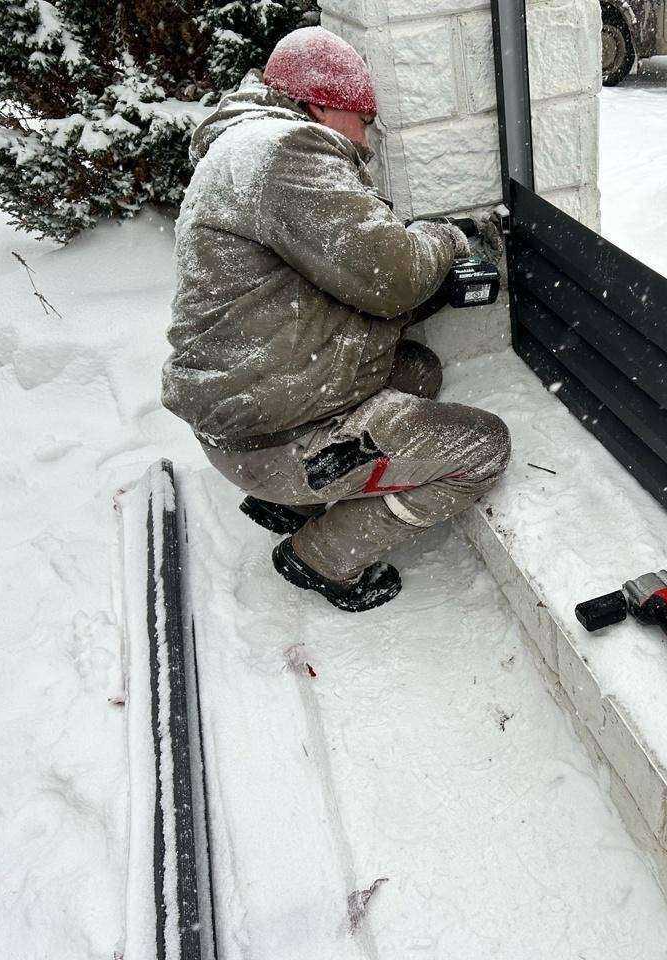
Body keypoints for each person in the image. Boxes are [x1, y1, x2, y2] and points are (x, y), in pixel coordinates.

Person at [162, 26, 511, 613]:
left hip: (245, 420)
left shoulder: (242, 151)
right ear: (322, 103)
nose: (368, 143)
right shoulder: (287, 153)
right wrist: (449, 240)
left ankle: (289, 502)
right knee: (482, 448)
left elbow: (339, 290)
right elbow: (392, 276)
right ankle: (322, 555)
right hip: (275, 438)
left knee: (415, 370)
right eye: (365, 119)